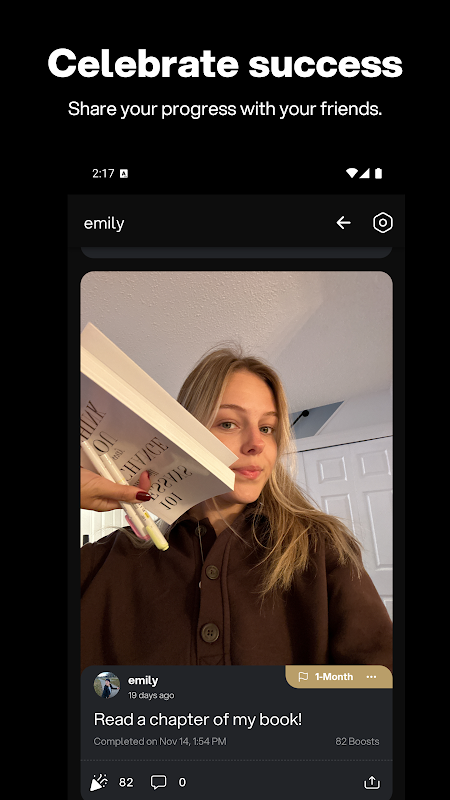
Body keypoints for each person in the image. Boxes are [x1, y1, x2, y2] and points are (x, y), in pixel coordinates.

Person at [81, 344, 393, 671]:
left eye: (267, 428)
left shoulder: (321, 548)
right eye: (228, 423)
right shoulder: (103, 561)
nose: (256, 444)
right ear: (184, 436)